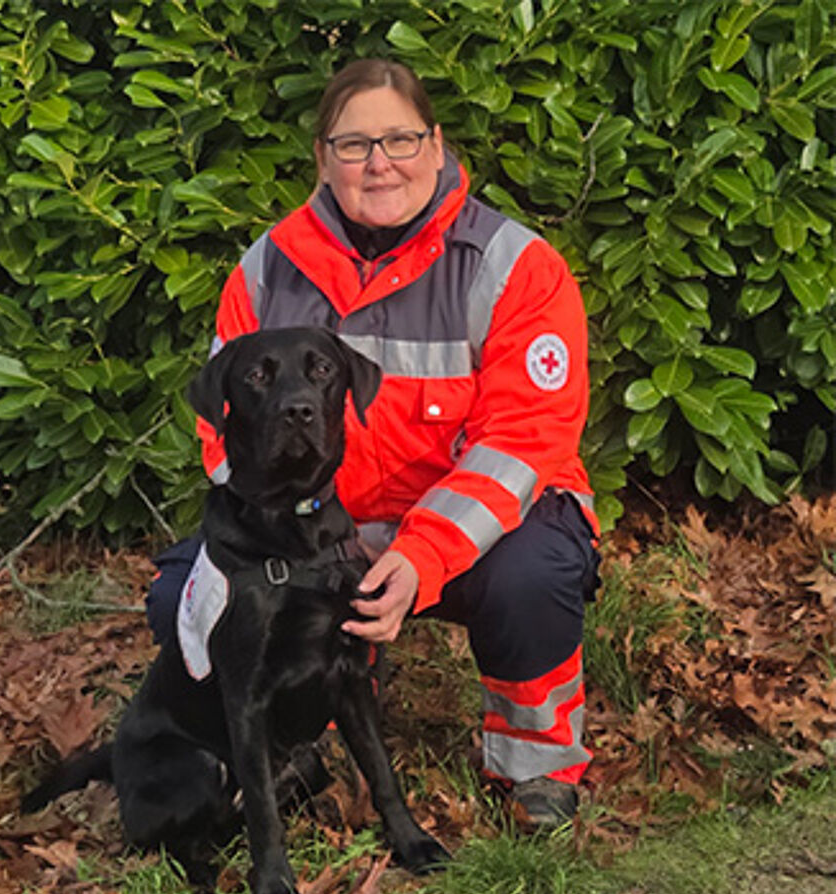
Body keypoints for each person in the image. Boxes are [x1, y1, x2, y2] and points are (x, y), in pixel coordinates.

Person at [148, 59, 601, 830]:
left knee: (535, 574)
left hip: (473, 533)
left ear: (436, 143)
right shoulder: (265, 270)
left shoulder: (515, 266)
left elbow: (524, 441)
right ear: (323, 157)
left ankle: (535, 766)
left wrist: (422, 554)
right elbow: (222, 433)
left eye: (399, 138)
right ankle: (298, 742)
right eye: (354, 145)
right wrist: (304, 543)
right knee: (183, 596)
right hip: (314, 530)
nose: (379, 163)